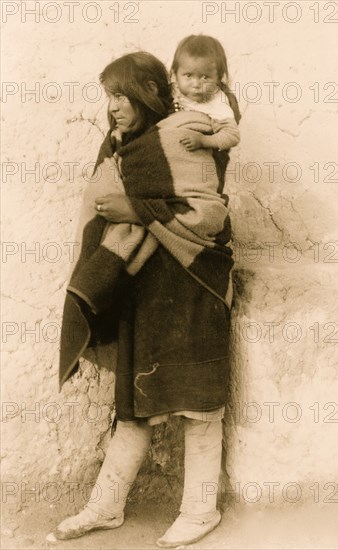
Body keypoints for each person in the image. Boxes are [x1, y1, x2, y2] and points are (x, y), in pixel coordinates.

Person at [47, 50, 236, 548]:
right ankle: (104, 507)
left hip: (193, 287)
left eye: (122, 96)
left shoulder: (187, 136)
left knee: (200, 408)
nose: (112, 107)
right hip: (143, 291)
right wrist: (127, 212)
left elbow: (209, 217)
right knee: (134, 409)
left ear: (149, 95)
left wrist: (135, 208)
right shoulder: (120, 146)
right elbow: (100, 208)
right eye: (108, 96)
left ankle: (200, 510)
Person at [171, 35, 240, 152]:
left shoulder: (217, 103)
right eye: (188, 75)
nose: (196, 84)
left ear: (219, 77)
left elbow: (232, 136)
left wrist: (203, 141)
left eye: (205, 77)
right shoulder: (173, 89)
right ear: (175, 74)